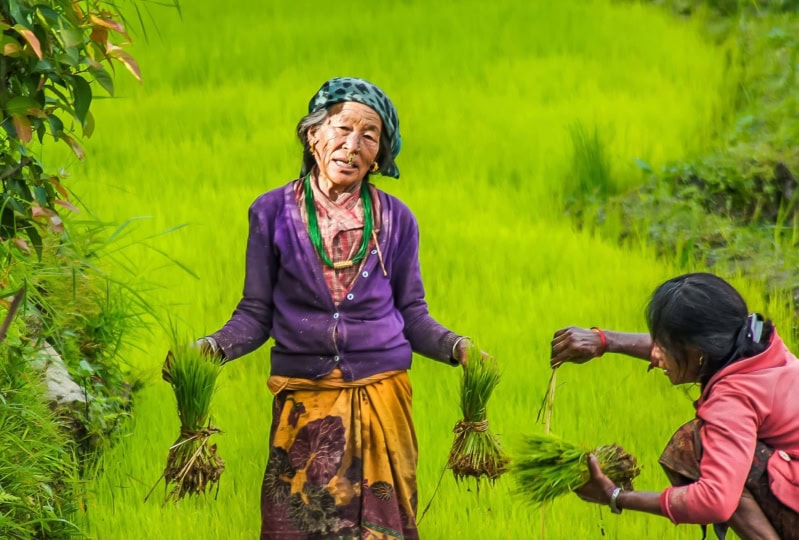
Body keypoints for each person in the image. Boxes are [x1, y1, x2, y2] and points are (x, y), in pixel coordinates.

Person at [194, 77, 473, 539]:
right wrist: (212, 347)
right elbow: (255, 313)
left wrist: (456, 347)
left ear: (380, 155)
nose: (353, 145)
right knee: (300, 525)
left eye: (370, 135)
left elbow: (413, 314)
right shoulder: (270, 213)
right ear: (313, 135)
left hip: (382, 399)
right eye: (342, 129)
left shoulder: (396, 219)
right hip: (306, 405)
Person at [550, 272, 799, 540]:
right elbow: (691, 350)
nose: (655, 355)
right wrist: (605, 341)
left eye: (663, 346)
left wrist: (616, 496)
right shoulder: (758, 343)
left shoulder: (732, 400)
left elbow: (715, 500)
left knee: (694, 445)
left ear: (698, 350)